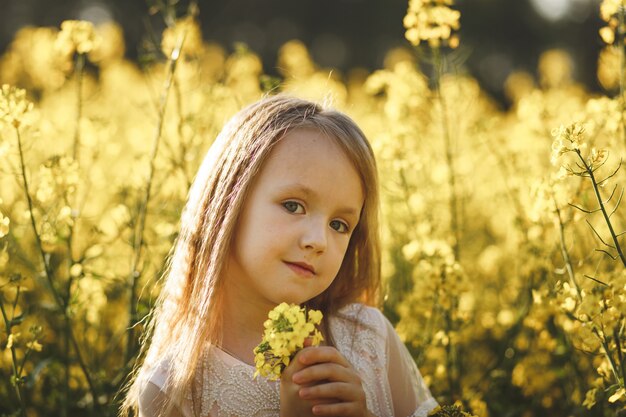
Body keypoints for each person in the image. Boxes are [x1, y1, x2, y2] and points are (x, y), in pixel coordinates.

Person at [119, 95, 438, 417]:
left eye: (339, 225)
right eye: (293, 206)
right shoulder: (174, 388)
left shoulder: (369, 339)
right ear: (230, 201)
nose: (318, 241)